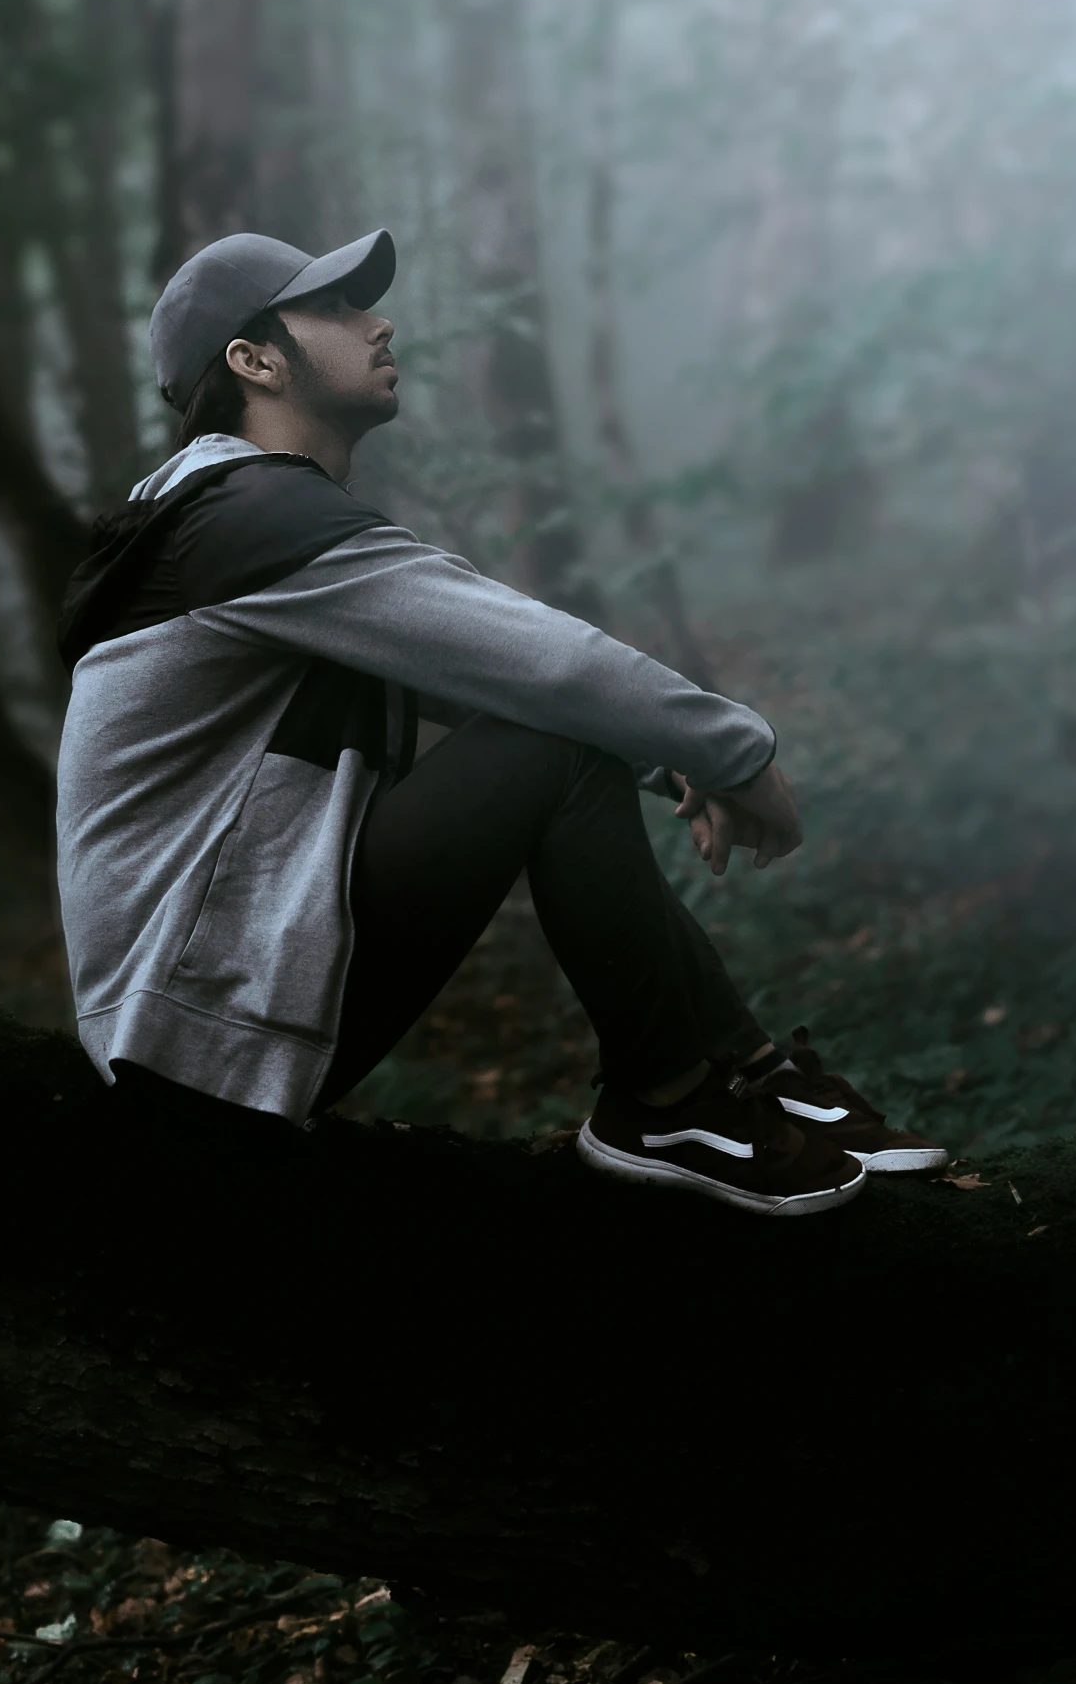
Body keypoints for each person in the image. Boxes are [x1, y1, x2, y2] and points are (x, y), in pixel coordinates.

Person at [55, 228, 944, 1215]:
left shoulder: (239, 520)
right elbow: (542, 663)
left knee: (565, 733)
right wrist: (734, 753)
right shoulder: (244, 520)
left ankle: (746, 1078)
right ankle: (669, 1101)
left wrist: (664, 763)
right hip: (195, 1033)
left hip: (211, 1009)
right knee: (557, 742)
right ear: (254, 360)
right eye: (338, 309)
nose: (378, 321)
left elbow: (481, 686)